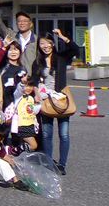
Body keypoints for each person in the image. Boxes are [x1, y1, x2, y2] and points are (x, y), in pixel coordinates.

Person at [32, 29, 80, 175]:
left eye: (48, 43)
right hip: (46, 100)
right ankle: (48, 162)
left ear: (53, 43)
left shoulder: (61, 58)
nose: (45, 46)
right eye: (42, 43)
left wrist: (63, 37)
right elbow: (34, 80)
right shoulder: (37, 62)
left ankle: (62, 165)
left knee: (64, 134)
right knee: (46, 134)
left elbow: (75, 50)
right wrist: (36, 94)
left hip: (61, 99)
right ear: (39, 45)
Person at [0, 0, 38, 70]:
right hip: (12, 74)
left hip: (30, 75)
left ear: (30, 24)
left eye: (25, 21)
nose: (22, 23)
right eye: (19, 21)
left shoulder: (37, 40)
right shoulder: (11, 35)